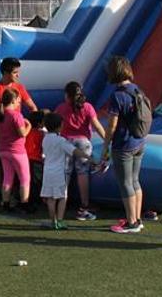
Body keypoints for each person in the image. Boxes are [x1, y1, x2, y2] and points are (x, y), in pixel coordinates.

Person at [102, 56, 147, 234]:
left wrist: (105, 146)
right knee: (135, 180)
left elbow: (112, 125)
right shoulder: (137, 90)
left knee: (125, 183)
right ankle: (137, 218)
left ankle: (131, 223)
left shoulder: (117, 96)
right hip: (139, 140)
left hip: (123, 144)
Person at [55, 81, 107, 221]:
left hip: (66, 143)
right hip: (83, 143)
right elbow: (97, 125)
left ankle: (60, 204)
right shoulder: (88, 107)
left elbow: (54, 124)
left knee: (65, 174)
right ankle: (84, 204)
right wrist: (107, 141)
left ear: (67, 95)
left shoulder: (61, 108)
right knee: (82, 174)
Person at [41, 113, 91, 229]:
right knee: (62, 196)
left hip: (47, 172)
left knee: (50, 198)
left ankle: (53, 220)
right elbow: (74, 151)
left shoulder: (45, 139)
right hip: (59, 172)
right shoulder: (61, 141)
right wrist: (89, 158)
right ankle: (60, 219)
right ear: (60, 126)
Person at [0, 87, 36, 213]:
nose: (20, 101)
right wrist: (29, 126)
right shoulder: (16, 115)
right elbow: (22, 134)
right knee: (24, 178)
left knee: (8, 177)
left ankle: (5, 202)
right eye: (19, 99)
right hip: (17, 151)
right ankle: (24, 203)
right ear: (14, 100)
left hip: (4, 150)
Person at [25, 110, 46, 205]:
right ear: (39, 123)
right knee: (36, 181)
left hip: (25, 159)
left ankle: (26, 198)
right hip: (36, 160)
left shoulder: (27, 132)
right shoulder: (40, 134)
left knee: (27, 180)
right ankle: (35, 200)